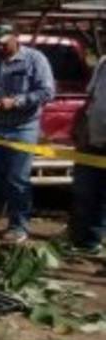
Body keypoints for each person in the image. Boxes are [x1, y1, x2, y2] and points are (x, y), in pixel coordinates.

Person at [0, 20, 55, 244]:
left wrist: (17, 101)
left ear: (17, 37)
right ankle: (3, 202)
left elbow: (47, 92)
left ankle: (19, 226)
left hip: (23, 126)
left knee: (18, 178)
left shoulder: (35, 60)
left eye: (4, 43)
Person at [67, 56, 106, 255]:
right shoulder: (103, 63)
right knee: (85, 191)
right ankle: (84, 241)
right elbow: (91, 100)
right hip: (92, 140)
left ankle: (93, 239)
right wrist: (79, 124)